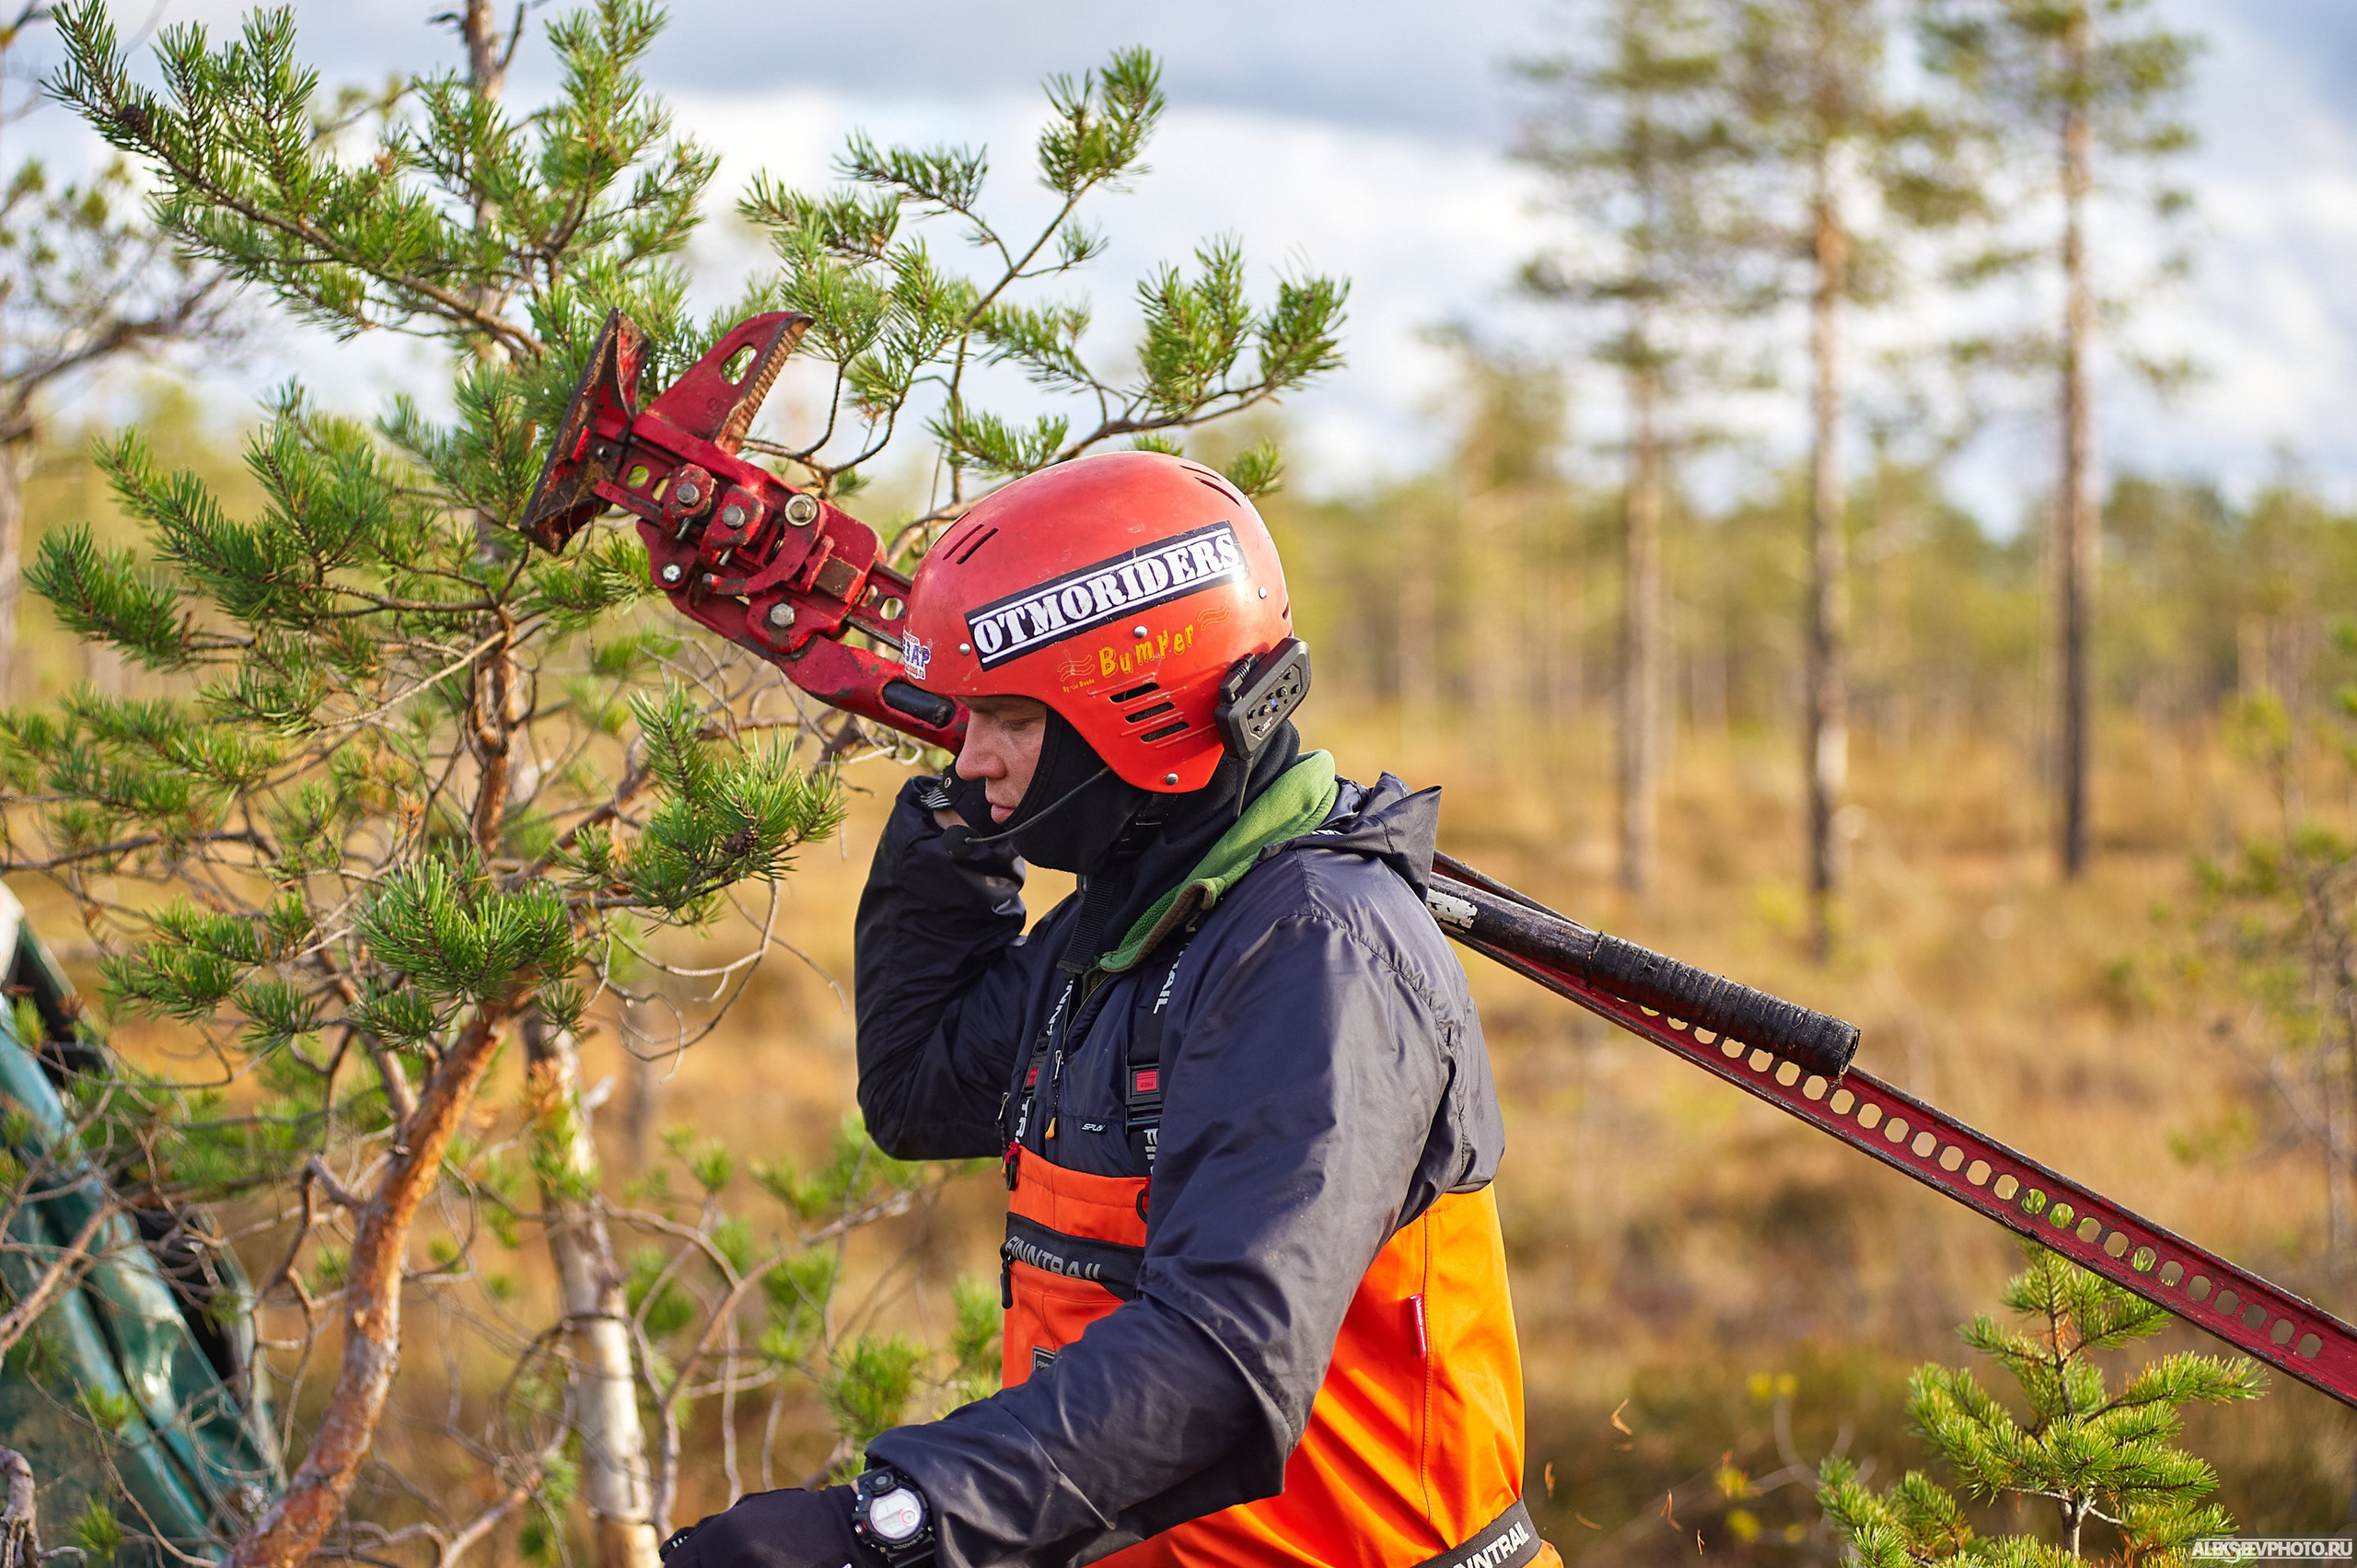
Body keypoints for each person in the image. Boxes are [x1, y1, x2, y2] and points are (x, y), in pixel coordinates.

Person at [659, 452, 1558, 1568]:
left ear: (1132, 710)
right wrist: (959, 831)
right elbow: (923, 1088)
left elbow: (1220, 1360)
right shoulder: (1129, 926)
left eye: (1006, 721)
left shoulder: (1316, 951)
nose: (967, 754)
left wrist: (890, 1523)